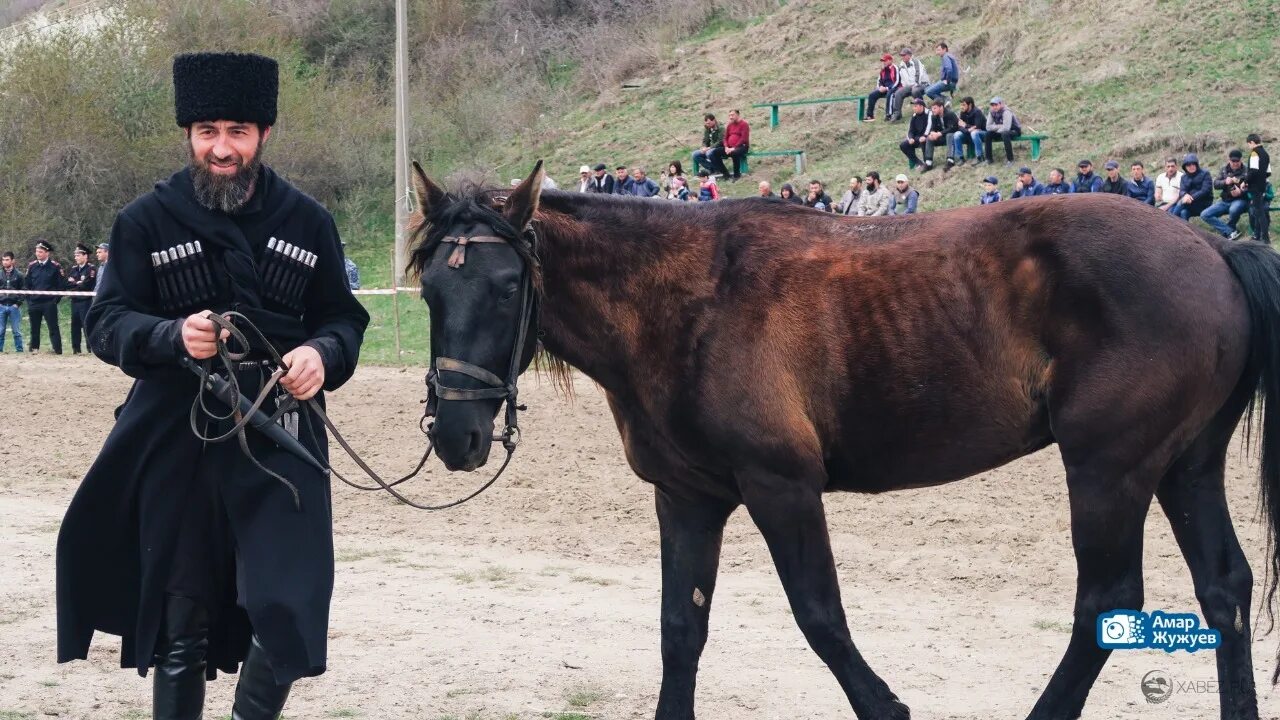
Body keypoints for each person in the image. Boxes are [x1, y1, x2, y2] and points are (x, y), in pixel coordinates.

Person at [56, 52, 369, 720]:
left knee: (289, 607)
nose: (221, 147)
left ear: (263, 134)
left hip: (281, 432)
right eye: (206, 131)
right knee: (180, 615)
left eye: (236, 131)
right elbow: (107, 322)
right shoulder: (146, 220)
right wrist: (171, 337)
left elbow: (342, 317)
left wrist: (321, 351)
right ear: (188, 134)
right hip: (178, 434)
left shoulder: (307, 220)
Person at [26, 239, 64, 354]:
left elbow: (61, 286)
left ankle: (57, 349)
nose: (38, 254)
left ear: (47, 253)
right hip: (34, 302)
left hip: (49, 302)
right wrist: (29, 300)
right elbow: (27, 284)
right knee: (34, 328)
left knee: (53, 327)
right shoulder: (32, 266)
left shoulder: (55, 266)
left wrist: (54, 301)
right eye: (37, 251)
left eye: (41, 252)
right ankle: (34, 348)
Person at [1200, 149, 1250, 238]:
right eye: (1233, 161)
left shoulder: (1247, 170)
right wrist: (1225, 182)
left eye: (1237, 161)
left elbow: (1252, 185)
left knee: (1234, 209)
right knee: (1204, 214)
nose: (1235, 163)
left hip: (1241, 200)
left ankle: (1230, 229)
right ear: (1229, 160)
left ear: (1241, 160)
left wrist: (1241, 191)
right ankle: (1229, 231)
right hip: (1225, 200)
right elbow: (1215, 184)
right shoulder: (1224, 169)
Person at [66, 243, 97, 355]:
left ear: (85, 256)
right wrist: (77, 283)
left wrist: (75, 283)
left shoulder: (91, 269)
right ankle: (76, 349)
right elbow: (68, 284)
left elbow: (87, 285)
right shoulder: (74, 269)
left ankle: (90, 349)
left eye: (78, 255)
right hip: (75, 301)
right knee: (75, 326)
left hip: (86, 301)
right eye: (75, 255)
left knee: (86, 325)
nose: (76, 258)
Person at [890, 48, 929, 122]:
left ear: (909, 55)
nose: (902, 57)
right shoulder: (901, 65)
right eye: (901, 55)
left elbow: (919, 74)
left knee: (915, 91)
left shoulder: (916, 62)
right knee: (898, 92)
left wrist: (916, 84)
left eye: (904, 55)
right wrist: (905, 87)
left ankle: (923, 109)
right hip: (910, 85)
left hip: (922, 83)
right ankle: (897, 113)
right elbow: (902, 78)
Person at [1245, 133, 1271, 242]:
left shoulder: (1254, 153)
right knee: (1258, 211)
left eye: (1248, 144)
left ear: (1251, 142)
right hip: (1263, 186)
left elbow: (1253, 171)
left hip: (1255, 187)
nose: (1248, 147)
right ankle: (1257, 235)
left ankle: (1265, 238)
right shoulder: (1265, 154)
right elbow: (1268, 172)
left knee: (1260, 213)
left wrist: (1245, 181)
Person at [1174, 153, 1213, 221]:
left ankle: (1171, 223)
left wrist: (1191, 197)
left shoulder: (1205, 174)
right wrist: (1184, 195)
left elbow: (1205, 190)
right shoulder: (1184, 177)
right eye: (1188, 165)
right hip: (1190, 204)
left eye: (1193, 164)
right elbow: (1182, 190)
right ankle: (1185, 230)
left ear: (1196, 164)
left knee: (1180, 204)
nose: (1191, 166)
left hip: (1204, 203)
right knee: (1183, 212)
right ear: (1185, 167)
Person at [982, 97, 1021, 165]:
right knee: (988, 134)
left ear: (1001, 104)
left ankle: (1010, 160)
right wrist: (1000, 127)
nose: (994, 107)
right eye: (992, 105)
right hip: (1001, 130)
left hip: (1014, 130)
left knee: (1005, 134)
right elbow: (988, 127)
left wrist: (996, 129)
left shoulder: (1006, 111)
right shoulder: (991, 112)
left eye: (996, 105)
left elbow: (1006, 127)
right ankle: (989, 159)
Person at [714, 109, 750, 181]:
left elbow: (744, 139)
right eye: (729, 115)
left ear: (738, 115)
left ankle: (736, 175)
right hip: (729, 148)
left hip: (742, 146)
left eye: (732, 115)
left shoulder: (744, 124)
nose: (731, 117)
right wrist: (726, 147)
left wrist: (734, 148)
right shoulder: (730, 125)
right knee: (715, 152)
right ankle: (726, 174)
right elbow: (725, 138)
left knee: (734, 153)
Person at [950, 96, 986, 166]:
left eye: (964, 105)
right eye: (961, 105)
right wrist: (967, 130)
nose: (961, 107)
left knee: (974, 133)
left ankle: (980, 157)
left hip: (982, 133)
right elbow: (959, 126)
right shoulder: (963, 112)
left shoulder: (977, 112)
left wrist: (966, 125)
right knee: (957, 134)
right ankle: (961, 158)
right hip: (969, 133)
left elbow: (977, 126)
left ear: (970, 105)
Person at [0, 251, 24, 352]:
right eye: (3, 260)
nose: (4, 262)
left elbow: (24, 290)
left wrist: (17, 304)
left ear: (12, 261)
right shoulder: (0, 274)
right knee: (0, 331)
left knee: (16, 331)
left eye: (7, 260)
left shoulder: (19, 275)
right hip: (1, 305)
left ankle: (19, 350)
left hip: (14, 306)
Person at [926, 99, 959, 171]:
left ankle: (950, 160)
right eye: (932, 109)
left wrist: (939, 133)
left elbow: (952, 128)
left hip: (954, 135)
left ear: (941, 107)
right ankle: (928, 162)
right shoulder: (934, 117)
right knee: (929, 138)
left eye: (935, 108)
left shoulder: (950, 114)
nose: (933, 110)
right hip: (941, 137)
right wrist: (932, 134)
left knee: (949, 135)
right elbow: (933, 128)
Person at [865, 53, 900, 122]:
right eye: (883, 61)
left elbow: (897, 81)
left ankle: (889, 115)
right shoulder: (883, 70)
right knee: (872, 95)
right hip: (883, 89)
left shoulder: (895, 68)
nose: (884, 62)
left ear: (890, 60)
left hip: (894, 88)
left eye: (885, 61)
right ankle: (870, 116)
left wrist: (887, 88)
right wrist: (880, 87)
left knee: (890, 94)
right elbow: (879, 80)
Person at [899, 98, 933, 169]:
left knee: (923, 140)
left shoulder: (929, 113)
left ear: (921, 106)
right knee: (903, 145)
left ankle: (927, 162)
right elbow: (910, 130)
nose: (913, 108)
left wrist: (924, 136)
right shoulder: (914, 116)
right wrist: (910, 138)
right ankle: (918, 163)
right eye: (913, 106)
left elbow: (929, 126)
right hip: (917, 138)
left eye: (915, 106)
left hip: (928, 136)